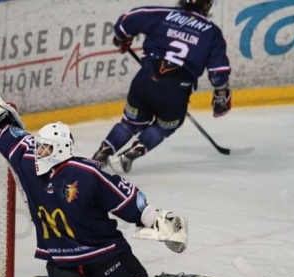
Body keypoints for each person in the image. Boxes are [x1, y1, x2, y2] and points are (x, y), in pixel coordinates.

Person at [0, 78, 222, 277]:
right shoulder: (29, 162)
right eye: (39, 147)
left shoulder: (85, 173)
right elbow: (17, 141)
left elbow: (123, 196)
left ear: (59, 150)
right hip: (62, 260)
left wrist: (153, 218)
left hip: (104, 254)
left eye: (45, 149)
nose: (38, 153)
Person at [92, 0, 232, 174]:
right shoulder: (212, 33)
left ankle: (100, 156)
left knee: (129, 123)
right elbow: (218, 73)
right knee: (166, 125)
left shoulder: (162, 13)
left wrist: (122, 38)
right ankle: (128, 156)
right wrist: (221, 96)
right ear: (208, 5)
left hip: (144, 81)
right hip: (175, 92)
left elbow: (124, 24)